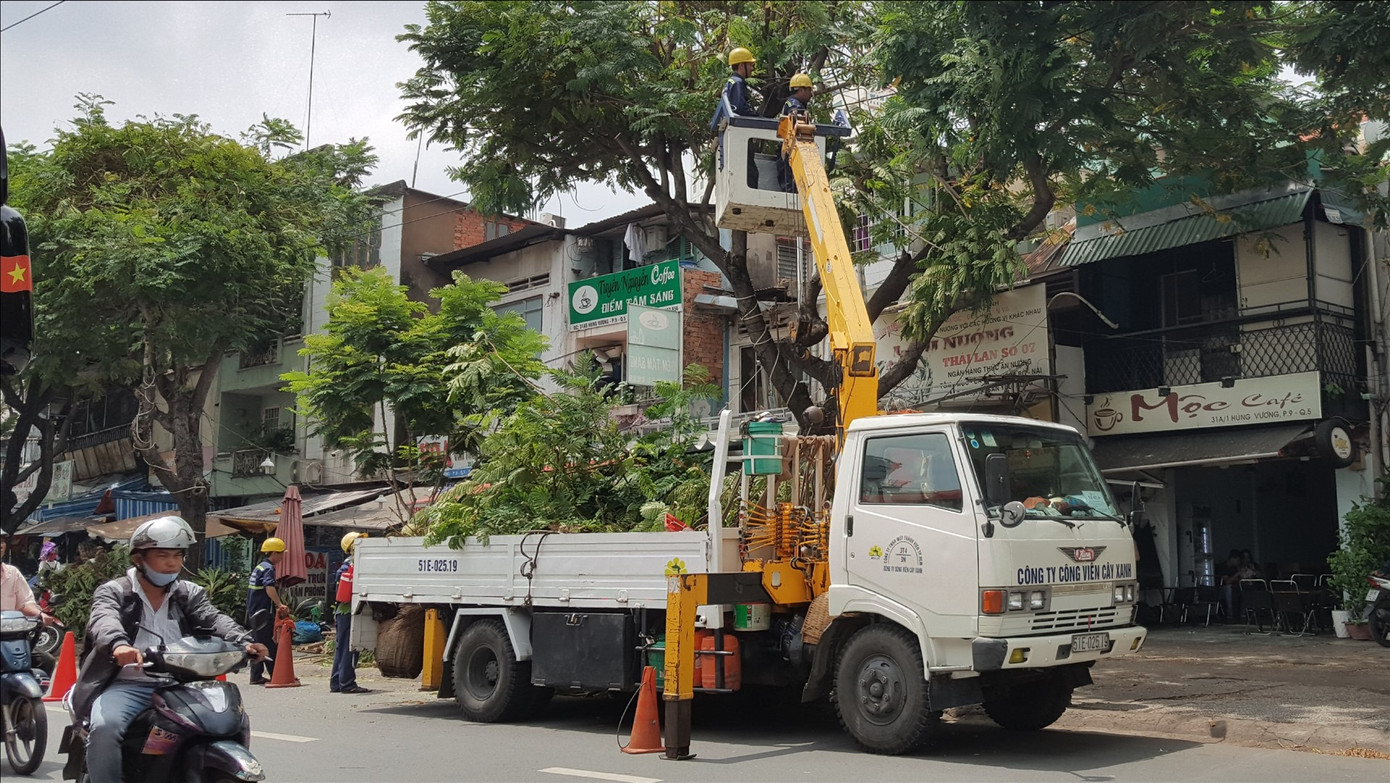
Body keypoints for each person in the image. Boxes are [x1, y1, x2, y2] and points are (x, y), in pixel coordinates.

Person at [71, 516, 268, 783]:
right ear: (138, 559)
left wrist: (243, 641)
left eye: (178, 555)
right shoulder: (114, 591)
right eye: (163, 555)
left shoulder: (188, 592)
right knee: (106, 727)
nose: (173, 562)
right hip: (127, 684)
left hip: (181, 683)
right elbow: (104, 620)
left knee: (231, 720)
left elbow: (212, 617)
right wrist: (119, 645)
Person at [330, 531, 370, 695]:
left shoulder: (347, 563)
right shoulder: (353, 563)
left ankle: (336, 682)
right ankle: (347, 683)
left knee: (341, 647)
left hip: (342, 611)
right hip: (348, 611)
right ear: (353, 547)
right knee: (348, 647)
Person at [246, 537, 288, 685]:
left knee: (258, 643)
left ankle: (256, 676)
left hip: (254, 611)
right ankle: (276, 675)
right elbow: (269, 587)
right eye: (282, 553)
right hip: (263, 613)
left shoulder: (260, 566)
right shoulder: (269, 568)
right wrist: (279, 604)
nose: (283, 556)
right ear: (274, 553)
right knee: (269, 644)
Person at [777, 73, 815, 192]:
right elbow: (800, 128)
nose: (811, 94)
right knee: (791, 187)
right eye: (809, 90)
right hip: (791, 151)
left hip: (785, 150)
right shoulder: (796, 107)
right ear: (802, 90)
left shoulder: (789, 103)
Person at [1, 536, 52, 622]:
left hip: (10, 630)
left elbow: (24, 603)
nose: (0, 545)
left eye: (2, 541)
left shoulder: (13, 573)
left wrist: (40, 614)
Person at [709, 46, 759, 132]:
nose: (752, 68)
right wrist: (758, 118)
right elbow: (740, 109)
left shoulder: (732, 81)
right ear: (741, 65)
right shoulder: (737, 82)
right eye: (750, 65)